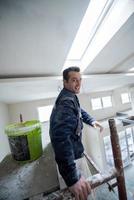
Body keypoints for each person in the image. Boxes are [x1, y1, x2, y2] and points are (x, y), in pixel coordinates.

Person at [49, 66, 103, 200]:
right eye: (74, 80)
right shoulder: (66, 102)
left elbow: (79, 110)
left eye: (80, 80)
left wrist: (91, 120)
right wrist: (73, 178)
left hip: (75, 154)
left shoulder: (70, 96)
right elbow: (60, 139)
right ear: (65, 82)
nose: (78, 84)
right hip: (72, 161)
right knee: (84, 195)